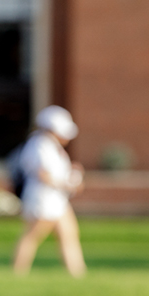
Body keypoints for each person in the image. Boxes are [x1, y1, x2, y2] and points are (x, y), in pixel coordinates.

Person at [12, 105, 87, 277]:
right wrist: (67, 184)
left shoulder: (53, 147)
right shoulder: (39, 144)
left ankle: (78, 275)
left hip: (57, 200)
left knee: (69, 235)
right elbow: (43, 174)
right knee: (32, 236)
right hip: (43, 200)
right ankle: (17, 274)